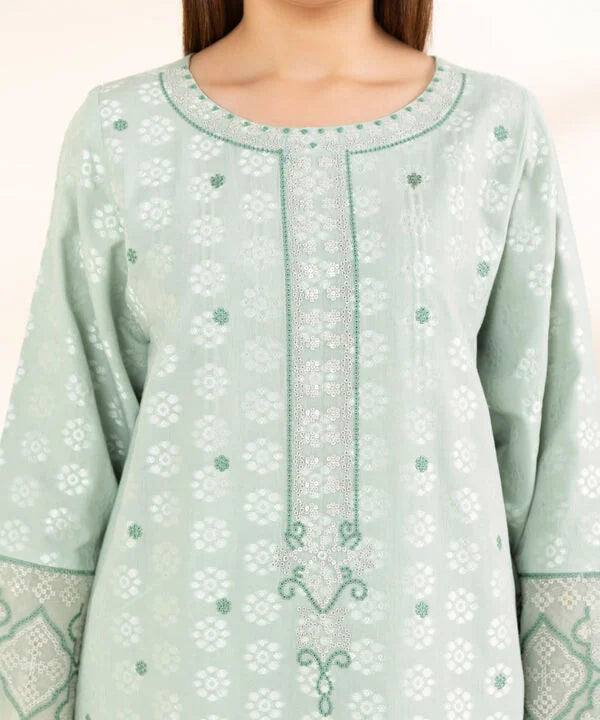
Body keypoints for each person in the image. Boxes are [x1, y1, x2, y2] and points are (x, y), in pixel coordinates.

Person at [1, 1, 599, 718]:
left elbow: (558, 447)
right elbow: (60, 449)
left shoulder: (494, 129)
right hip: (170, 674)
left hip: (435, 673)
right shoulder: (124, 130)